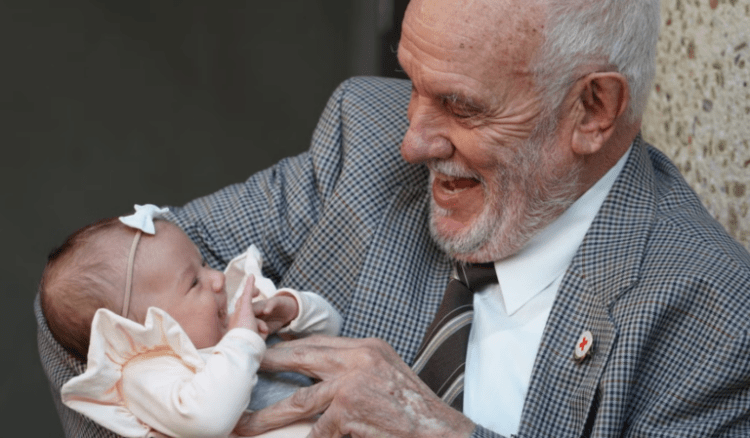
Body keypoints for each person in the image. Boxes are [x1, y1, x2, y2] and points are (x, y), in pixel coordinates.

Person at [36, 0, 750, 436]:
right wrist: (175, 418)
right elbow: (91, 307)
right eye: (412, 82)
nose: (411, 141)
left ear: (593, 110)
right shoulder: (364, 137)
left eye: (461, 105)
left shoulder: (714, 321)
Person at [40, 205, 342, 438]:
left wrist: (293, 310)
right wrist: (243, 340)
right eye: (194, 282)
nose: (217, 278)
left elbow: (333, 335)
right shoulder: (147, 371)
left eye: (204, 263)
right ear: (138, 330)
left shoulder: (236, 313)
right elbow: (208, 421)